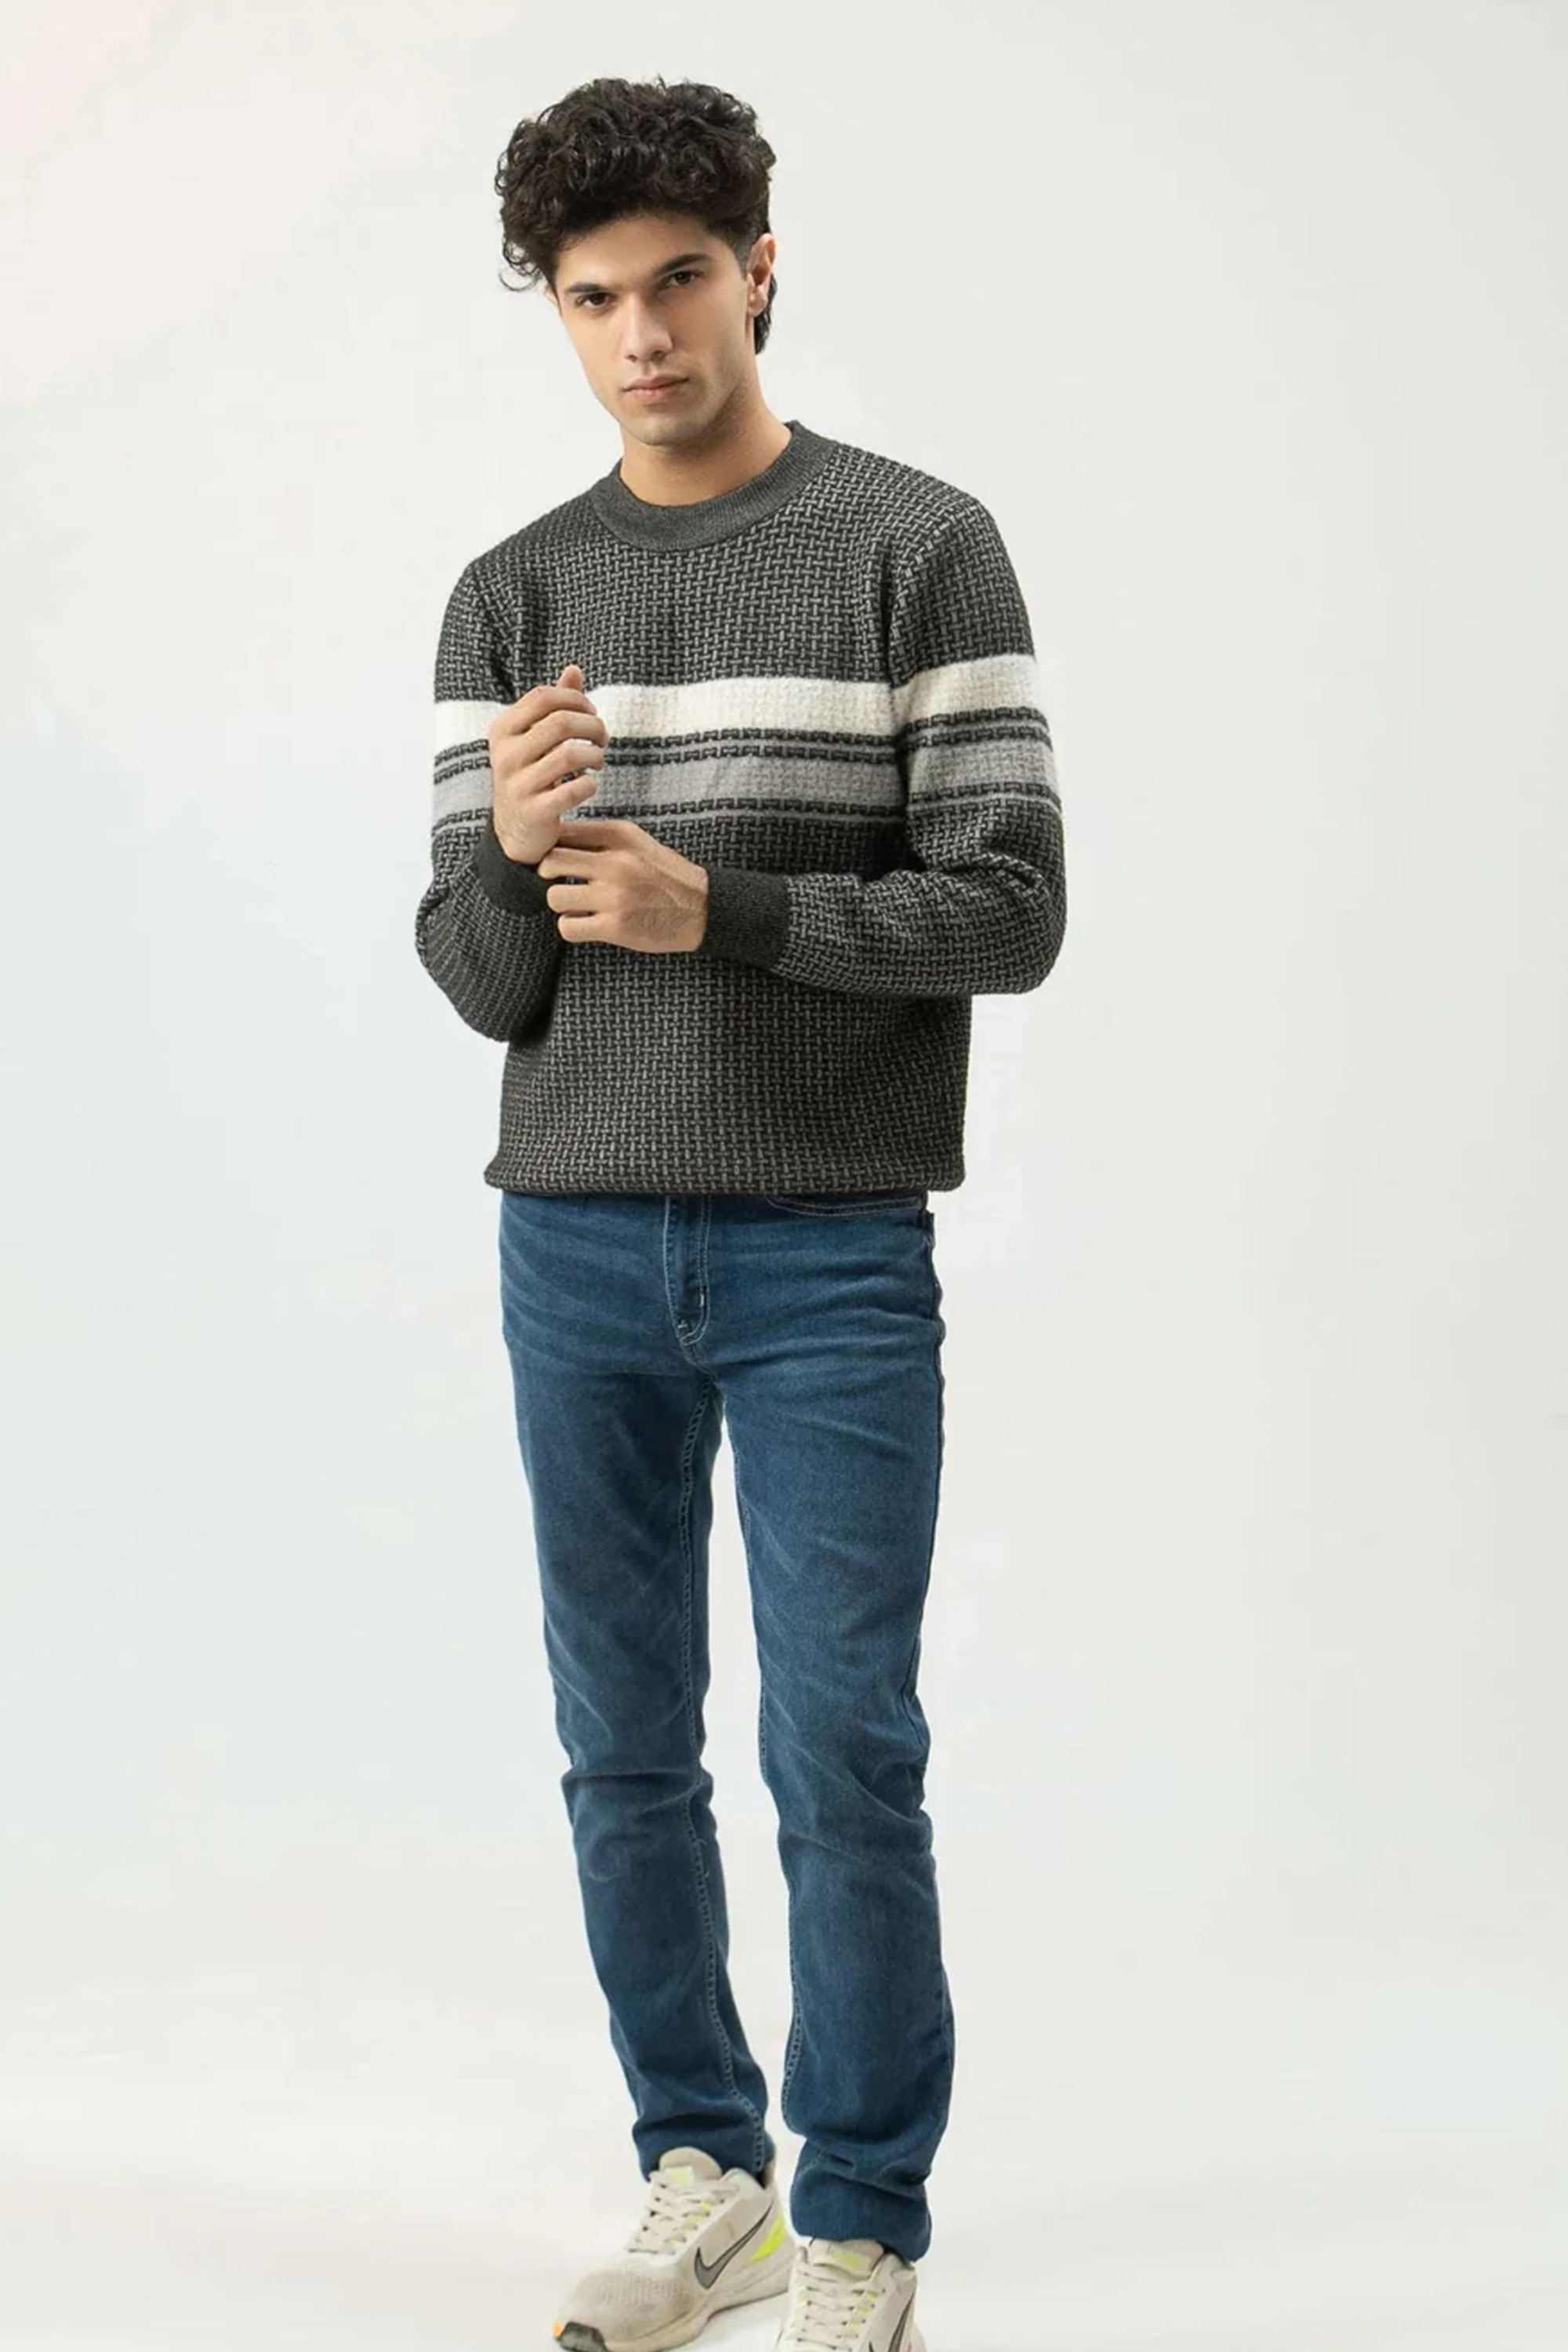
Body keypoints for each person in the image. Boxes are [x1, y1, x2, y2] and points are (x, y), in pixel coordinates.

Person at [417, 72, 1067, 2352]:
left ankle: (863, 2212)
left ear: (759, 268)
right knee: (622, 1743)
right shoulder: (509, 595)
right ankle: (706, 2171)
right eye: (594, 297)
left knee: (842, 1748)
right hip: (573, 1241)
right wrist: (511, 847)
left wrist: (732, 910)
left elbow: (1014, 910)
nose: (643, 335)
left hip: (827, 1246)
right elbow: (481, 983)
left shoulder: (919, 548)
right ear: (557, 310)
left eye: (680, 280)